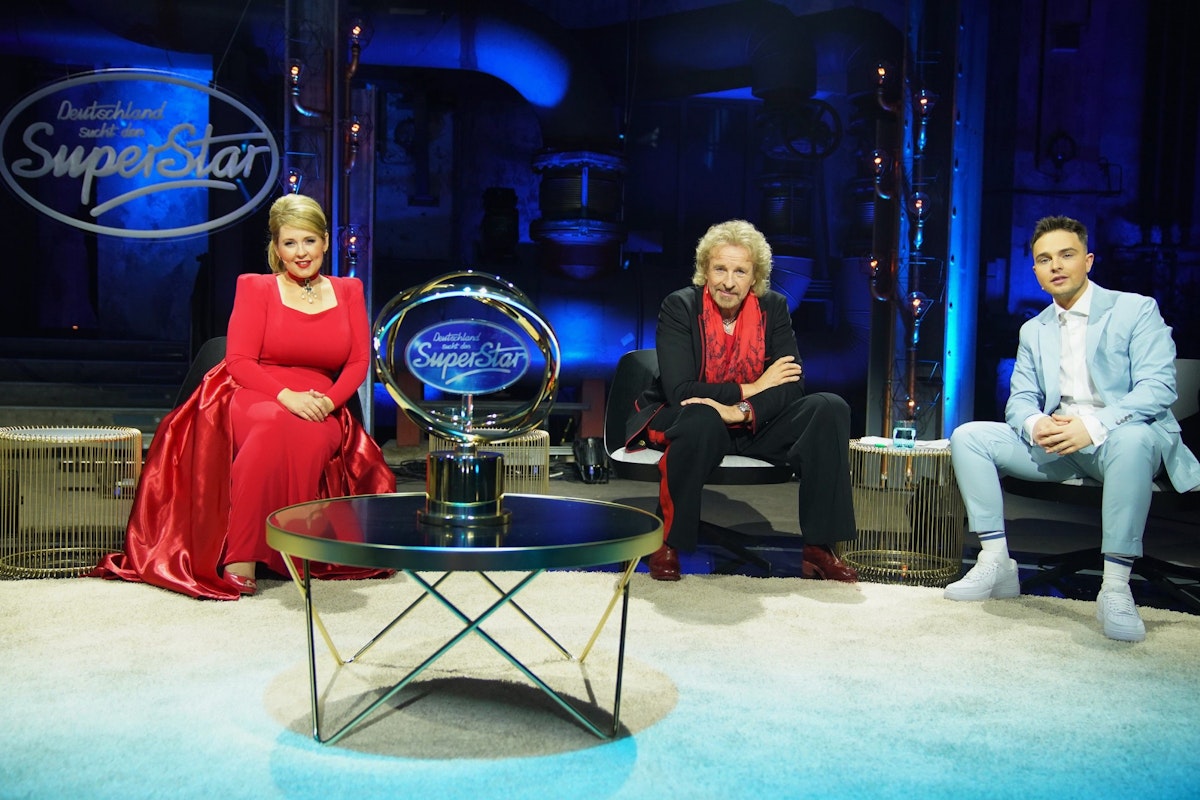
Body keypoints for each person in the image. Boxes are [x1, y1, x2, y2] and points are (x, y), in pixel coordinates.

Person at [91, 194, 396, 599]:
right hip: (256, 390)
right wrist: (286, 396)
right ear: (276, 248)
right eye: (289, 243)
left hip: (320, 398)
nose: (301, 252)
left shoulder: (349, 290)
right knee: (272, 425)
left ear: (325, 241)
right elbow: (238, 361)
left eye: (309, 241)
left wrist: (328, 402)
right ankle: (243, 554)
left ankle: (291, 550)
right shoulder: (256, 287)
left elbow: (358, 362)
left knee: (307, 435)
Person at [946, 215, 1200, 641]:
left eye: (1066, 255)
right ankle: (997, 562)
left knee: (1134, 438)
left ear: (1088, 260)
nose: (1056, 266)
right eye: (1045, 259)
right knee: (969, 436)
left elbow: (1158, 388)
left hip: (1121, 440)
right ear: (1035, 271)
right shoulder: (1034, 329)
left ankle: (1115, 587)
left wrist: (1093, 425)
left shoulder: (1135, 309)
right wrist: (1036, 423)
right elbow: (1020, 400)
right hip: (1060, 444)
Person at [623, 219, 859, 582]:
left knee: (828, 407)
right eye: (720, 269)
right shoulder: (680, 306)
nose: (728, 282)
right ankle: (667, 542)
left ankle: (818, 548)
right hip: (688, 419)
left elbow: (791, 385)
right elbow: (682, 391)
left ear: (755, 277)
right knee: (701, 415)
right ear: (705, 270)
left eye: (740, 271)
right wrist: (754, 386)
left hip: (750, 423)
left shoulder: (773, 308)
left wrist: (742, 411)